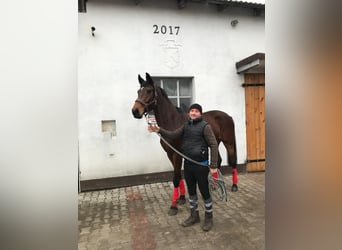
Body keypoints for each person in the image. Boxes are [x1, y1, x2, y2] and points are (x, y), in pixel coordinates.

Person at [148, 103, 218, 232]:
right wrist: (158, 130)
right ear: (189, 113)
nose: (193, 113)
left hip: (201, 165)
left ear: (200, 114)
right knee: (191, 191)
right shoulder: (186, 126)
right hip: (188, 165)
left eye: (196, 111)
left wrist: (213, 165)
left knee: (205, 192)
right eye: (192, 111)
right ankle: (194, 215)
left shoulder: (205, 127)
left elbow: (213, 145)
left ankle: (209, 217)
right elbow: (173, 134)